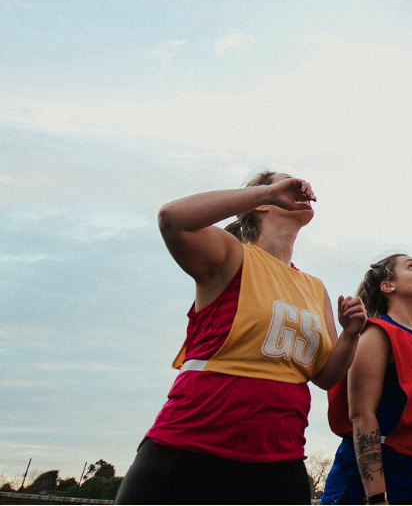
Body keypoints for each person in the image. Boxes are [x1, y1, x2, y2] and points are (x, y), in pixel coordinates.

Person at [116, 172, 367, 504]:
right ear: (261, 204)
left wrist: (350, 335)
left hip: (280, 456)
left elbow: (325, 376)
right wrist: (268, 191)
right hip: (193, 444)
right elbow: (172, 219)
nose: (299, 187)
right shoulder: (232, 255)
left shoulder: (314, 287)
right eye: (284, 183)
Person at [322, 254, 412, 505]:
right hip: (379, 483)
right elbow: (361, 416)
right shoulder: (377, 333)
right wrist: (376, 497)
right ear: (388, 286)